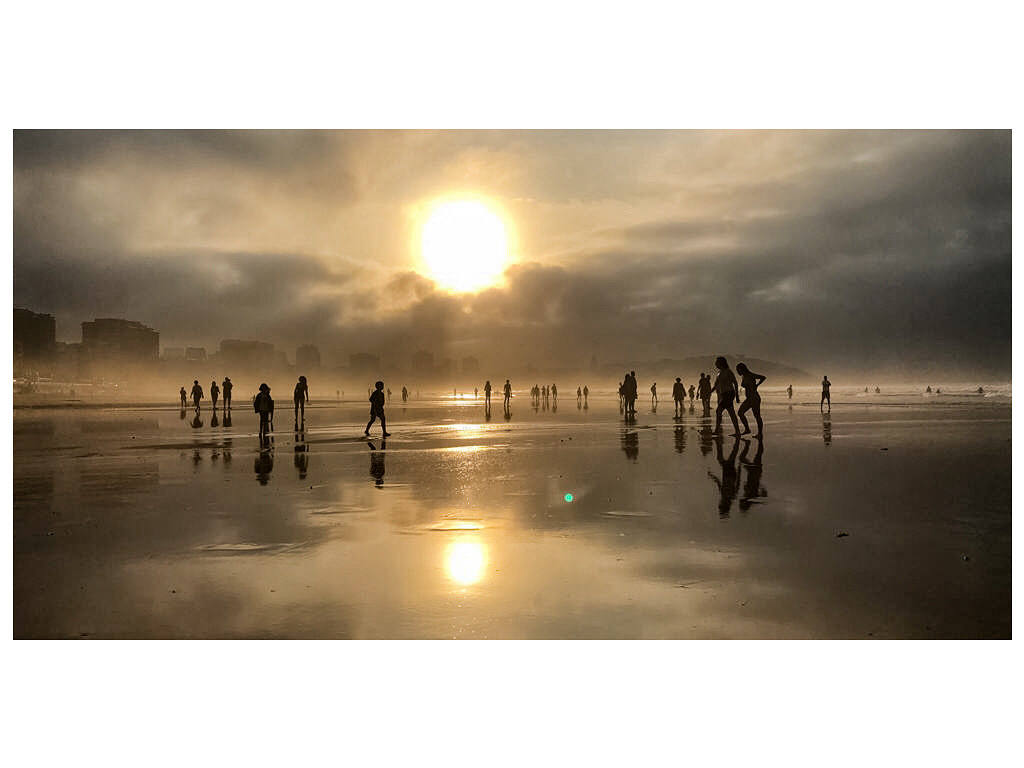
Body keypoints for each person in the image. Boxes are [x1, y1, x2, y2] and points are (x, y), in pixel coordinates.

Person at [735, 362, 766, 437]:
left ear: (742, 369)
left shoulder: (750, 375)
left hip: (754, 398)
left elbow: (763, 377)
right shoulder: (744, 376)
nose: (737, 371)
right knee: (740, 413)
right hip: (749, 398)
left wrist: (757, 385)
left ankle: (759, 433)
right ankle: (747, 429)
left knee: (757, 416)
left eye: (738, 370)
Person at [711, 357, 740, 436]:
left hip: (729, 393)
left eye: (717, 362)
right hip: (724, 394)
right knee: (731, 413)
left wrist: (737, 395)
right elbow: (716, 384)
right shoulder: (719, 373)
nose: (715, 364)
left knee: (719, 411)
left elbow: (735, 383)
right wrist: (710, 391)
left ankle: (717, 430)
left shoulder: (728, 372)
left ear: (721, 363)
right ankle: (737, 431)